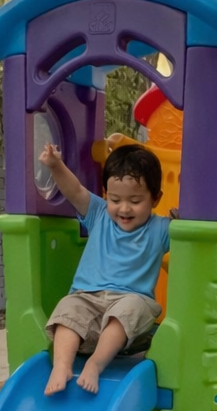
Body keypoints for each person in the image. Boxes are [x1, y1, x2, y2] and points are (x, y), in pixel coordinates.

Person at [37, 140, 171, 396]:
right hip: (88, 296)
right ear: (106, 195)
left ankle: (95, 364)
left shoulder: (162, 229)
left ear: (155, 199)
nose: (124, 208)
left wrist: (184, 218)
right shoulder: (98, 213)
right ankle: (62, 366)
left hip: (133, 299)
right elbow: (74, 190)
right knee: (68, 307)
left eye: (135, 200)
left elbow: (192, 236)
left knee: (127, 312)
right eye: (115, 198)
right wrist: (55, 165)